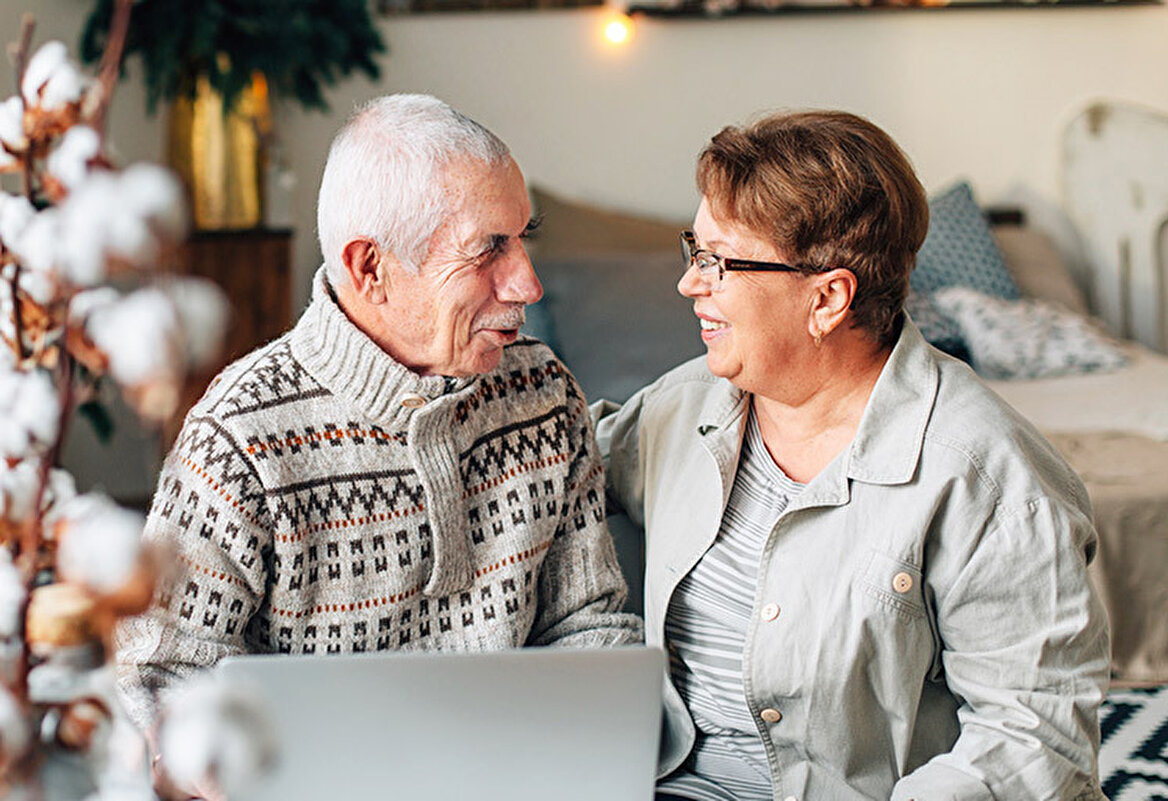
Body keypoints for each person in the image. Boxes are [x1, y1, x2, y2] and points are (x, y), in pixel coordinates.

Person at [594, 110, 1109, 800]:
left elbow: (1033, 740)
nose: (691, 283)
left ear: (829, 297)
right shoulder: (680, 406)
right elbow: (558, 474)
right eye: (695, 249)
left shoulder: (989, 475)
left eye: (718, 261)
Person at [115, 93, 641, 761]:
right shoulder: (239, 437)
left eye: (524, 237)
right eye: (490, 250)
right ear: (372, 268)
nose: (527, 283)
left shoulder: (541, 392)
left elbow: (589, 626)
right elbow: (155, 685)